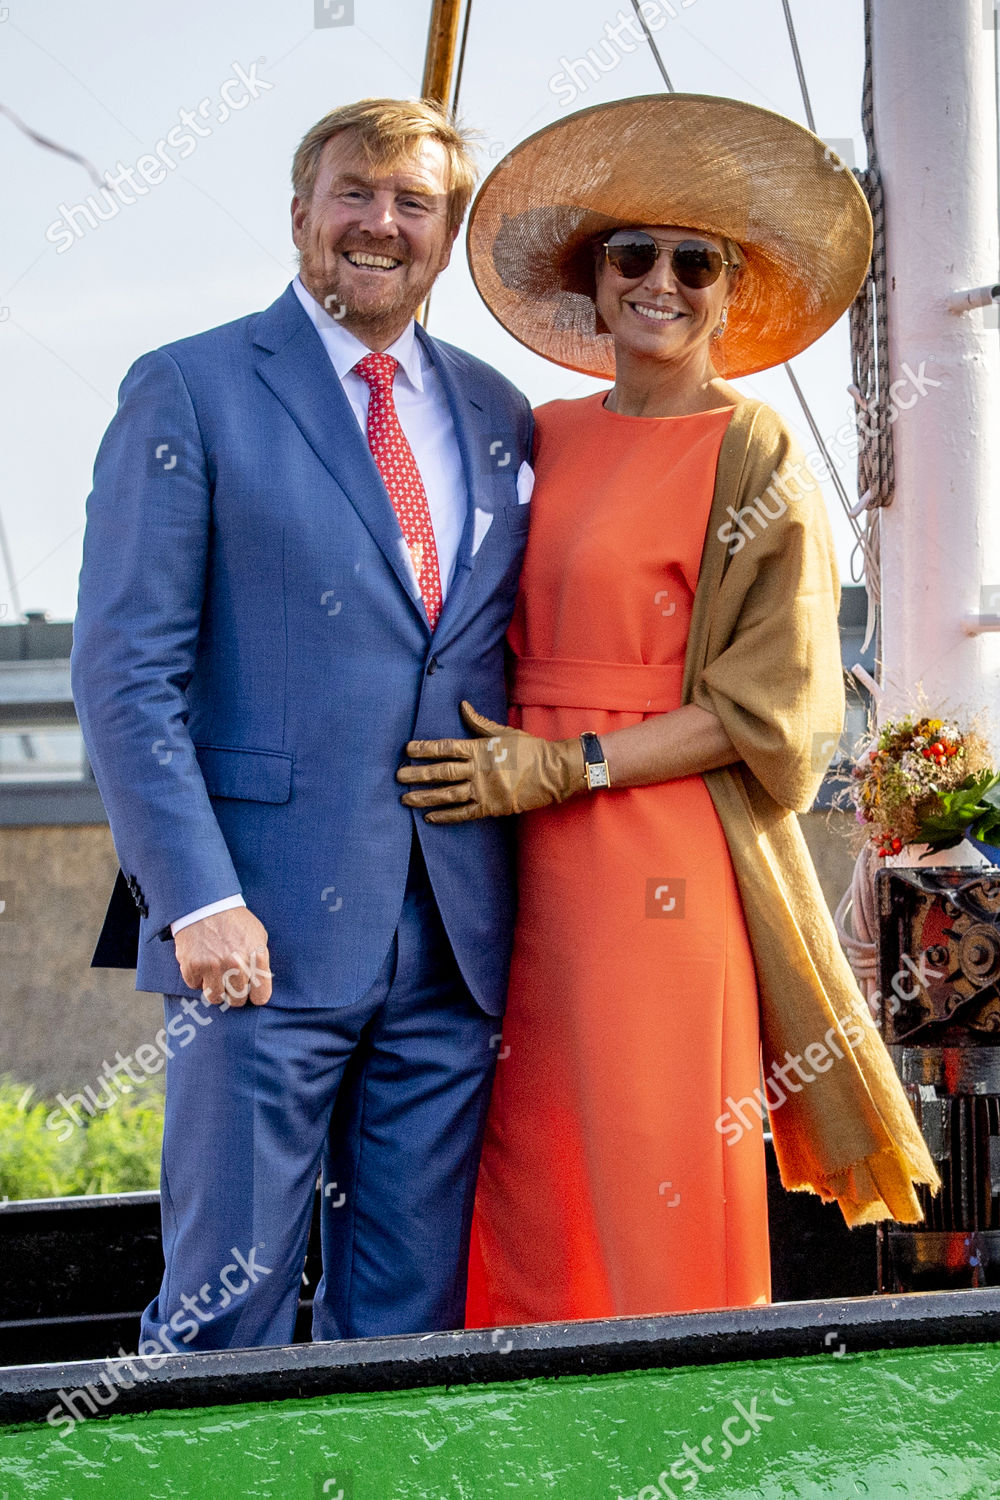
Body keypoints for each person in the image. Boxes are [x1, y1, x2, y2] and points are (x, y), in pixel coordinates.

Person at [397, 94, 940, 1326]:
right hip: (499, 843)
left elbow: (776, 715)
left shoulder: (753, 454)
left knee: (653, 1156)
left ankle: (675, 1434)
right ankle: (523, 1432)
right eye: (632, 253)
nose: (660, 280)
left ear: (728, 290)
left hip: (656, 852)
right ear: (592, 276)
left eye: (694, 261)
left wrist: (570, 766)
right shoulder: (534, 433)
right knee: (523, 1162)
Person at [70, 97, 534, 1351]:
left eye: (414, 202)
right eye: (354, 194)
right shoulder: (188, 388)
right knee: (227, 1317)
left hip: (451, 944)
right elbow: (125, 673)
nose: (380, 223)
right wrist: (196, 896)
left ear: (447, 237)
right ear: (300, 214)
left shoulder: (499, 416)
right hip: (256, 932)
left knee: (402, 1325)